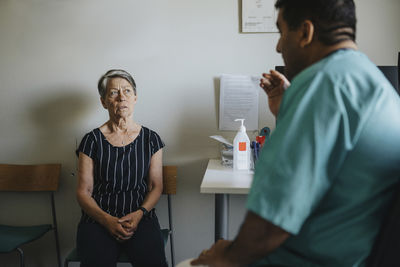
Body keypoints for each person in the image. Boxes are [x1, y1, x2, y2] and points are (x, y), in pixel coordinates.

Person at [192, 0, 400, 266]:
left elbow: (268, 228)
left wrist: (228, 257)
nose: (279, 46)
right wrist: (288, 111)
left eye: (281, 32)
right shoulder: (370, 81)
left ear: (305, 32)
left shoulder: (321, 84)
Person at [76, 69, 167, 267]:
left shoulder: (152, 139)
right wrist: (106, 220)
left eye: (127, 91)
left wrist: (140, 213)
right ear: (103, 101)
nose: (121, 97)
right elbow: (84, 192)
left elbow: (155, 186)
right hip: (98, 219)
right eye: (113, 93)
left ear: (135, 98)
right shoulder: (91, 141)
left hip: (141, 216)